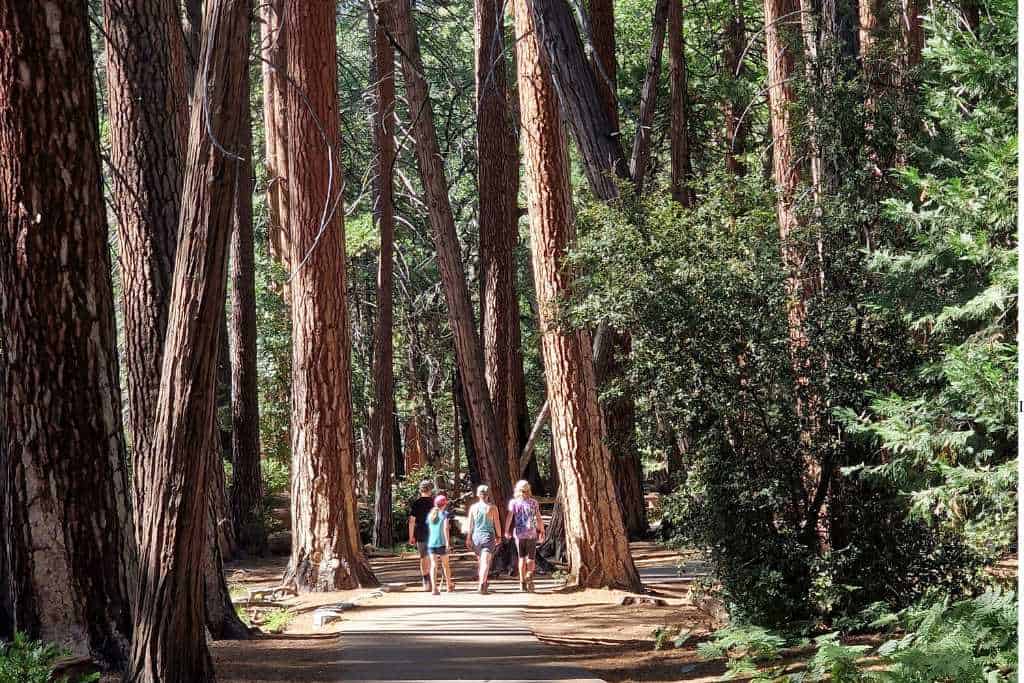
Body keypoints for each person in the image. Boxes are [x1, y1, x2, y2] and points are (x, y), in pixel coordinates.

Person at [504, 479, 544, 592]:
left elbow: (509, 517)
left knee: (521, 557)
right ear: (528, 489)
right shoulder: (534, 503)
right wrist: (542, 531)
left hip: (519, 533)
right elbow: (538, 518)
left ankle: (522, 583)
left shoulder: (514, 503)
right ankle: (530, 575)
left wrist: (506, 530)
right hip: (531, 533)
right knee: (531, 558)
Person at [465, 484, 501, 594]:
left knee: (480, 561)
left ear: (478, 495)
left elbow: (470, 524)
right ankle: (482, 583)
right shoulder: (492, 508)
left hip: (476, 537)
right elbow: (497, 524)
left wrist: (468, 538)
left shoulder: (473, 508)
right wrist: (499, 536)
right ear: (487, 495)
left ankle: (483, 583)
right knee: (485, 562)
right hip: (488, 537)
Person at [407, 479, 435, 591]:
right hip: (434, 533)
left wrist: (411, 536)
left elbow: (411, 521)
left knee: (423, 557)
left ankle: (426, 581)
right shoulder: (434, 502)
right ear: (431, 490)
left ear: (420, 490)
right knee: (433, 557)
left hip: (420, 533)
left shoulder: (416, 503)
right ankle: (433, 582)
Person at [426, 494, 454, 595]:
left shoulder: (430, 515)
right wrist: (447, 543)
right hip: (442, 542)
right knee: (445, 565)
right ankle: (449, 585)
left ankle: (434, 588)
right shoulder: (445, 514)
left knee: (434, 565)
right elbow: (445, 528)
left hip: (431, 543)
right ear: (444, 504)